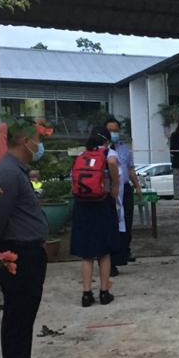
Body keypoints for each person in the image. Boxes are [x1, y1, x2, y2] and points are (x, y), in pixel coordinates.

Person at [0, 122, 56, 358]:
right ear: (25, 140)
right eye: (37, 139)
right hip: (18, 254)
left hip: (28, 252)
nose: (39, 145)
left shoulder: (16, 171)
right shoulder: (9, 172)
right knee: (17, 319)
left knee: (24, 318)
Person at [70, 129, 120, 308]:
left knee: (87, 255)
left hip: (82, 206)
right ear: (105, 142)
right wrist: (115, 184)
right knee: (104, 252)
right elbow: (113, 163)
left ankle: (86, 294)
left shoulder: (81, 156)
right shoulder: (107, 155)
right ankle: (104, 292)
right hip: (102, 204)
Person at [106, 117, 141, 268]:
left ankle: (125, 251)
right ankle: (111, 256)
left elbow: (130, 169)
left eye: (116, 130)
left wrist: (137, 186)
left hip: (125, 188)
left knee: (127, 220)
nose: (113, 133)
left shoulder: (124, 148)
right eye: (110, 131)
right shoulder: (102, 150)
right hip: (109, 190)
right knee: (112, 222)